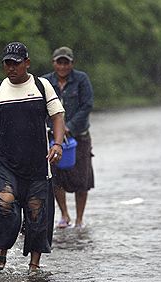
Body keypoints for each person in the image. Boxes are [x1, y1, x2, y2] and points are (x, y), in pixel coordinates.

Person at [0, 42, 65, 272]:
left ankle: (34, 266)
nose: (11, 68)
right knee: (5, 203)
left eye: (16, 63)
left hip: (38, 163)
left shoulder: (41, 86)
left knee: (37, 211)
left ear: (26, 63)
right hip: (7, 162)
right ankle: (1, 251)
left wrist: (57, 144)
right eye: (7, 63)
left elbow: (57, 116)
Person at [42, 46, 94, 229]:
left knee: (82, 178)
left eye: (66, 62)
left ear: (72, 63)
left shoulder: (81, 79)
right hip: (52, 138)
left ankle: (80, 219)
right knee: (56, 177)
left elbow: (87, 105)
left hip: (79, 136)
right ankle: (64, 214)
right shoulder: (45, 82)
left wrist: (67, 128)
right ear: (54, 63)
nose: (63, 66)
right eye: (59, 62)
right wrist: (55, 130)